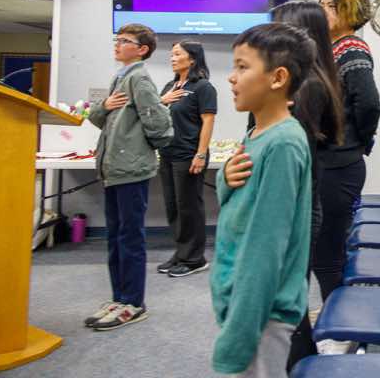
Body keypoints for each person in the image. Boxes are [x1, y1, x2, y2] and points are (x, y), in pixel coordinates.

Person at [226, 0, 345, 369]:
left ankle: (301, 365)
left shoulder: (305, 93)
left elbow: (280, 173)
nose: (234, 77)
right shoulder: (309, 85)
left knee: (283, 308)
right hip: (300, 205)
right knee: (290, 308)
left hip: (295, 209)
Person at [210, 23, 314, 377]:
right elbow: (236, 200)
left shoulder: (283, 143)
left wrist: (238, 336)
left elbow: (266, 248)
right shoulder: (257, 133)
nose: (232, 77)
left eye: (242, 67)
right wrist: (224, 177)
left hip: (261, 313)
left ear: (278, 78)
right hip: (243, 301)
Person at [85, 23, 173, 331]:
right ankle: (119, 297)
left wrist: (141, 148)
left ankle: (134, 303)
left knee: (130, 238)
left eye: (124, 40)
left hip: (131, 170)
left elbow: (160, 124)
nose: (117, 43)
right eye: (117, 39)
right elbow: (100, 119)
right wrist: (104, 106)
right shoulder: (120, 78)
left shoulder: (139, 78)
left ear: (142, 49)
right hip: (114, 169)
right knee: (115, 236)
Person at [314, 0, 380, 305]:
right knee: (326, 248)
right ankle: (335, 313)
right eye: (322, 4)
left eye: (330, 5)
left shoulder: (351, 48)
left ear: (348, 11)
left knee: (328, 251)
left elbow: (369, 104)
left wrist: (360, 141)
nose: (323, 11)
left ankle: (338, 318)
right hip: (330, 161)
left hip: (340, 163)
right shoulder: (331, 49)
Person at [156, 40, 217, 278]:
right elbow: (156, 114)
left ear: (192, 59)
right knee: (173, 207)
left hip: (189, 154)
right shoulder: (169, 86)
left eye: (177, 54)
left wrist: (200, 153)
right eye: (171, 54)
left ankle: (194, 259)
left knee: (189, 207)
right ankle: (181, 253)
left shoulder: (203, 87)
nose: (172, 58)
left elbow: (208, 121)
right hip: (168, 153)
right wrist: (162, 101)